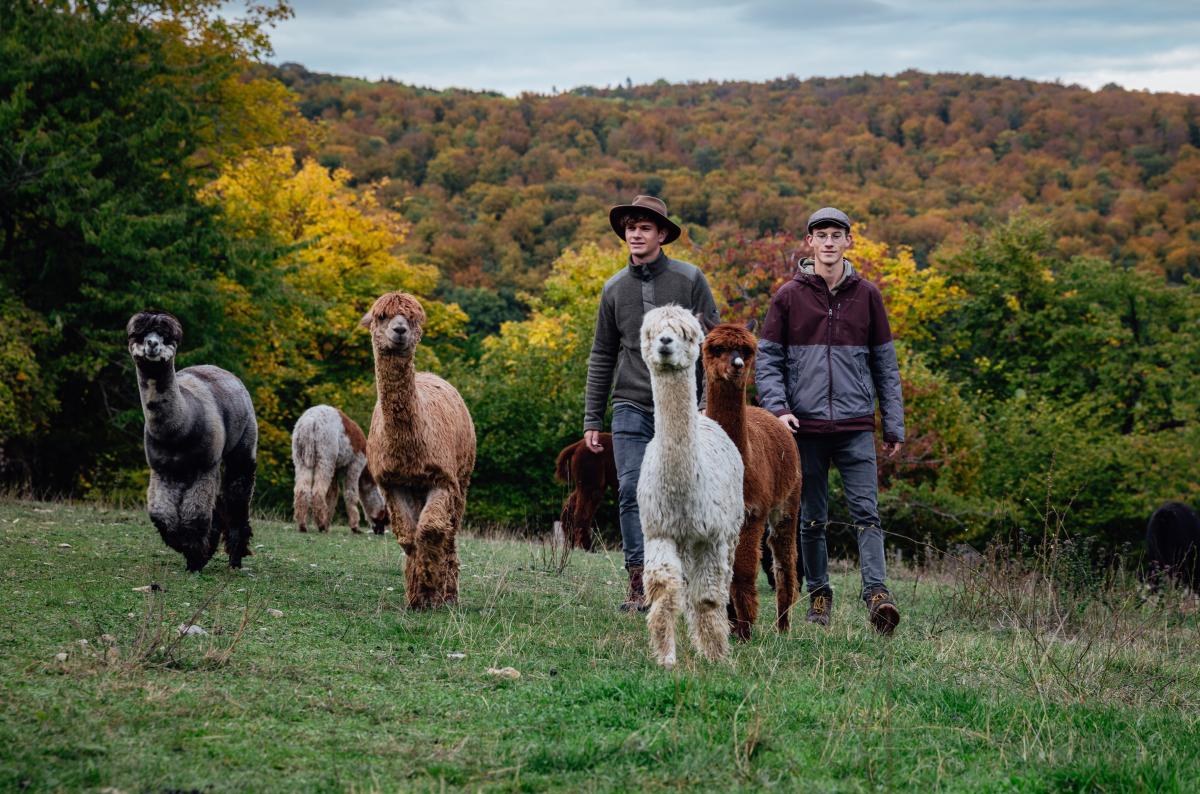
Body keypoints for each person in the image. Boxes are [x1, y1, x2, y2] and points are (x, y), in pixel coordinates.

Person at [755, 207, 904, 634]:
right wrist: (779, 409)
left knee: (867, 513)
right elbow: (768, 361)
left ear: (848, 242)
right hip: (805, 427)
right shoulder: (788, 297)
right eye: (821, 235)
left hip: (856, 424)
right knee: (812, 517)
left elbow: (884, 364)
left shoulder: (867, 295)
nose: (829, 242)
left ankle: (877, 594)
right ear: (809, 242)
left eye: (836, 235)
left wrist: (892, 423)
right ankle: (819, 592)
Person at [583, 195, 720, 612]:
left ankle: (691, 573)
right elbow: (603, 353)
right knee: (630, 489)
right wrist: (592, 417)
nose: (635, 234)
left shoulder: (690, 279)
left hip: (682, 407)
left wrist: (705, 402)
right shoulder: (613, 289)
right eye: (630, 227)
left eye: (644, 227)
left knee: (685, 489)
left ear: (662, 234)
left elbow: (711, 342)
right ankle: (640, 582)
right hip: (632, 402)